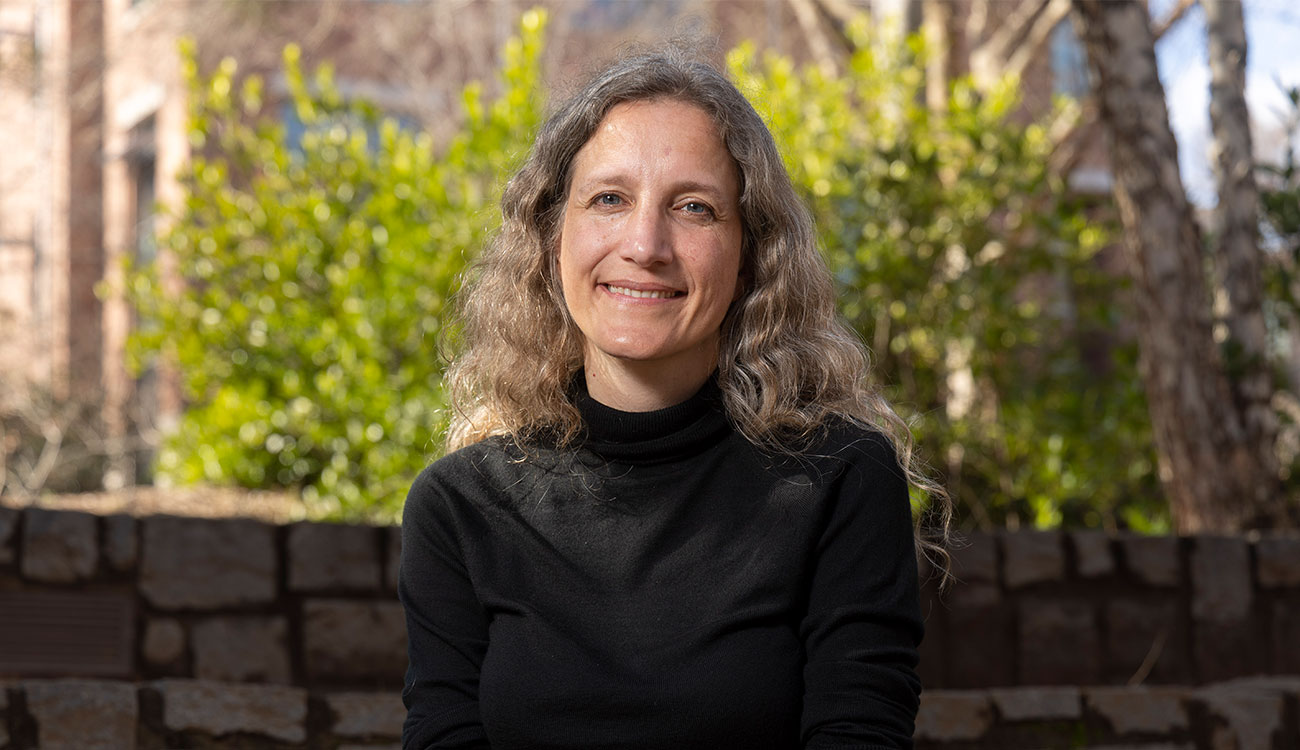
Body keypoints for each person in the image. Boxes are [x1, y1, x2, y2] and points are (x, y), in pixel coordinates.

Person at [399, 45, 948, 750]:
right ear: (551, 236)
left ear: (752, 252)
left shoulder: (839, 480)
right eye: (609, 199)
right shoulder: (459, 507)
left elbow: (859, 735)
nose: (645, 243)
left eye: (694, 207)